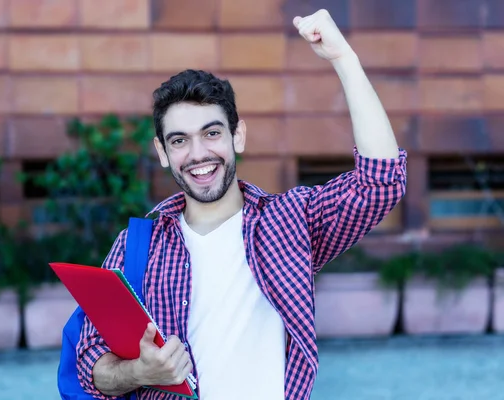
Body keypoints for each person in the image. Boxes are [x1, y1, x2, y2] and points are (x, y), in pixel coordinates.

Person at [76, 8, 407, 400]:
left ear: (238, 136)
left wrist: (343, 59)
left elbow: (381, 182)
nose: (198, 154)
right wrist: (139, 371)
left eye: (211, 133)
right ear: (162, 152)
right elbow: (90, 365)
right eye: (179, 140)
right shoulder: (137, 246)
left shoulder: (290, 222)